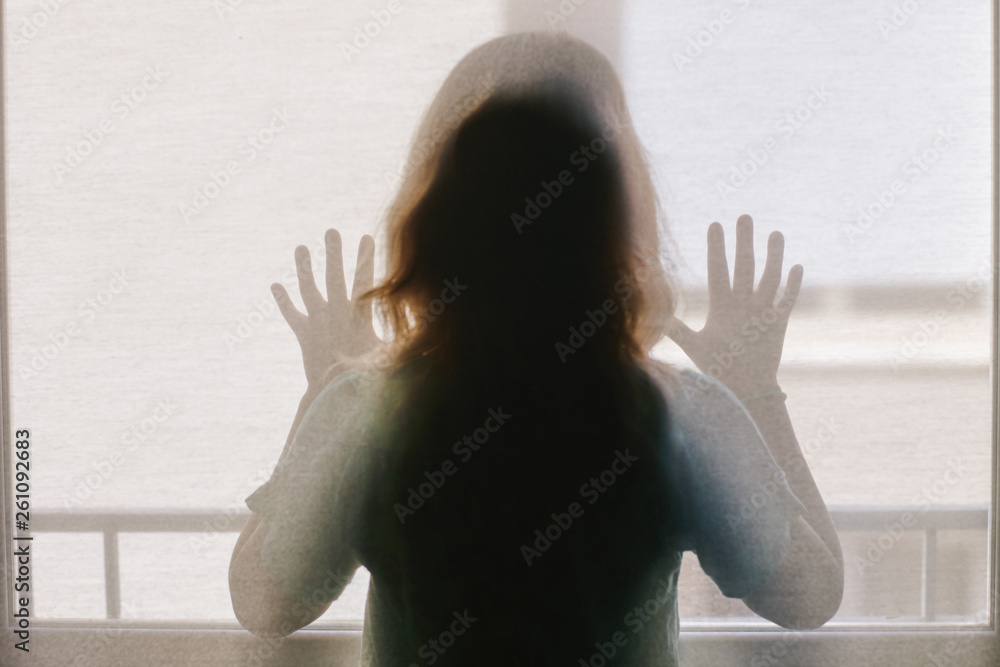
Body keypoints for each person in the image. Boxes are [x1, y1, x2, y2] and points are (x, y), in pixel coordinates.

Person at [229, 31, 843, 666]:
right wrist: (752, 391)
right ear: (617, 219)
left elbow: (263, 603)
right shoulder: (680, 419)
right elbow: (810, 596)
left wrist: (325, 386)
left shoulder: (368, 414)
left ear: (432, 221)